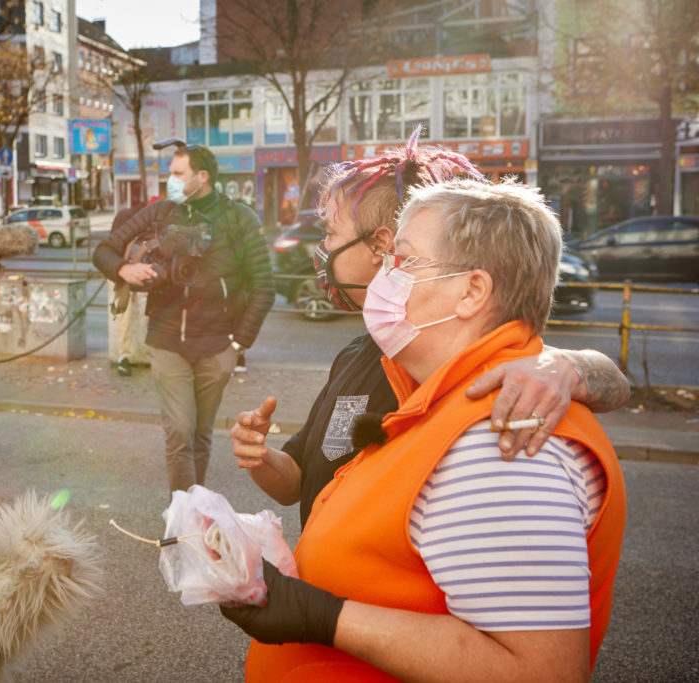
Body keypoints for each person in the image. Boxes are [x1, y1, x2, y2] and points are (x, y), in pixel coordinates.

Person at [221, 178, 627, 680]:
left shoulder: (506, 437)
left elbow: (540, 672)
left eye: (405, 261)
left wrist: (322, 618)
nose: (384, 275)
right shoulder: (443, 394)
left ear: (472, 290)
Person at [231, 129, 630, 527]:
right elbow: (301, 480)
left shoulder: (451, 361)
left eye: (331, 234)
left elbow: (607, 386)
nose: (323, 252)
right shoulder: (358, 355)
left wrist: (567, 367)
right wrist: (262, 457)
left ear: (381, 246)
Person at [94, 143, 275, 494]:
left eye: (177, 174)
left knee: (201, 436)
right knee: (179, 433)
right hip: (166, 343)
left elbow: (264, 287)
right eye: (170, 173)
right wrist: (124, 269)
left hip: (217, 346)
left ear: (201, 177)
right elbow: (102, 251)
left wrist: (237, 345)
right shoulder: (160, 212)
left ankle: (196, 512)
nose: (170, 180)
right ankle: (184, 524)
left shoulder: (239, 219)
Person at [108, 200, 147, 377]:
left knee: (125, 315)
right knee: (124, 313)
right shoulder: (129, 231)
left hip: (122, 272)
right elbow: (127, 261)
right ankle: (125, 356)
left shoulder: (123, 223)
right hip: (120, 274)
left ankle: (126, 355)